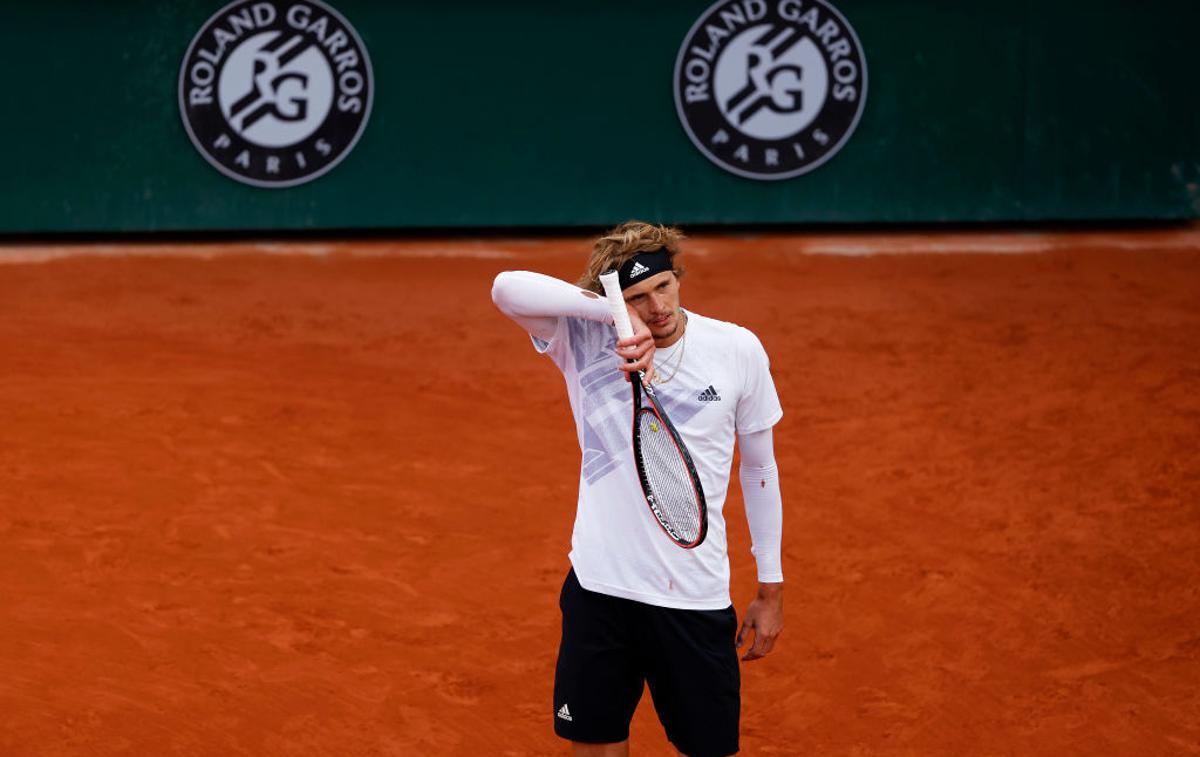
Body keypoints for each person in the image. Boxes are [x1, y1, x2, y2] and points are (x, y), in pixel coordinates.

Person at [491, 221, 785, 757]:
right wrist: (611, 313)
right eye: (636, 297)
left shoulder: (736, 348)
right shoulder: (582, 339)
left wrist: (771, 587)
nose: (657, 308)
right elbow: (506, 287)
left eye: (663, 287)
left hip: (694, 596)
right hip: (602, 590)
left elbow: (760, 470)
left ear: (678, 278)